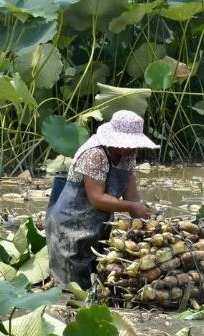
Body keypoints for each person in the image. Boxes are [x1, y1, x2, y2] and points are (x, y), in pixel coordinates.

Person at [46, 110, 159, 289]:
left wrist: (145, 221)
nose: (132, 148)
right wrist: (131, 206)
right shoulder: (95, 154)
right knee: (71, 288)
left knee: (96, 281)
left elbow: (131, 196)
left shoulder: (128, 154)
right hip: (69, 226)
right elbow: (96, 198)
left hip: (98, 226)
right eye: (128, 143)